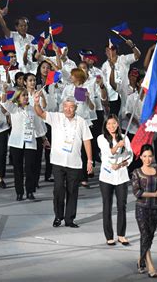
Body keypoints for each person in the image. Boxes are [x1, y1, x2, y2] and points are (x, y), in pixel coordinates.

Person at [33, 93, 93, 228]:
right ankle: (58, 216)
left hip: (74, 163)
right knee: (58, 189)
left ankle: (70, 219)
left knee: (72, 191)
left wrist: (89, 160)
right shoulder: (56, 117)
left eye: (71, 107)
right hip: (58, 161)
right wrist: (36, 102)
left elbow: (87, 141)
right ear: (63, 107)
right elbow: (40, 113)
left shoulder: (81, 121)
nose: (68, 110)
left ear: (75, 108)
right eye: (66, 107)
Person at [97, 114, 132, 246]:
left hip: (121, 176)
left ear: (118, 124)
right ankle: (109, 236)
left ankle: (121, 235)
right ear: (105, 126)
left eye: (114, 123)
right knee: (107, 206)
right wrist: (118, 145)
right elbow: (108, 153)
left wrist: (122, 164)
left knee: (122, 205)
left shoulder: (125, 137)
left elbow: (130, 155)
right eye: (108, 124)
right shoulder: (101, 138)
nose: (111, 126)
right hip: (107, 176)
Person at [131, 144, 157, 278]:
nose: (147, 159)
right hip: (141, 209)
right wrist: (153, 194)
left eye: (150, 156)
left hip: (155, 209)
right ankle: (151, 266)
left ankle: (140, 261)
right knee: (145, 235)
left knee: (149, 237)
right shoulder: (136, 172)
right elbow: (137, 192)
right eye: (145, 156)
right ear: (140, 157)